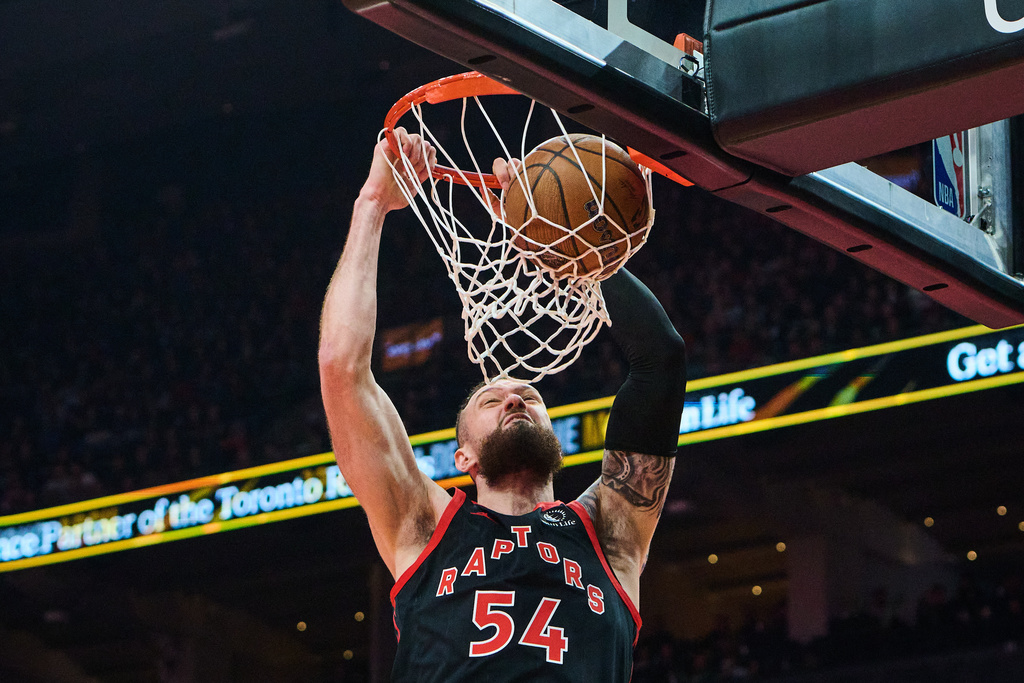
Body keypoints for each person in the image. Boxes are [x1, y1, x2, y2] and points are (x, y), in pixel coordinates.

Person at [319, 127, 688, 681]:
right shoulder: (423, 525)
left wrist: (563, 244)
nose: (515, 395)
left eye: (531, 397)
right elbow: (342, 369)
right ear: (462, 456)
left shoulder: (609, 530)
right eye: (493, 399)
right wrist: (372, 204)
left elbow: (661, 359)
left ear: (553, 434)